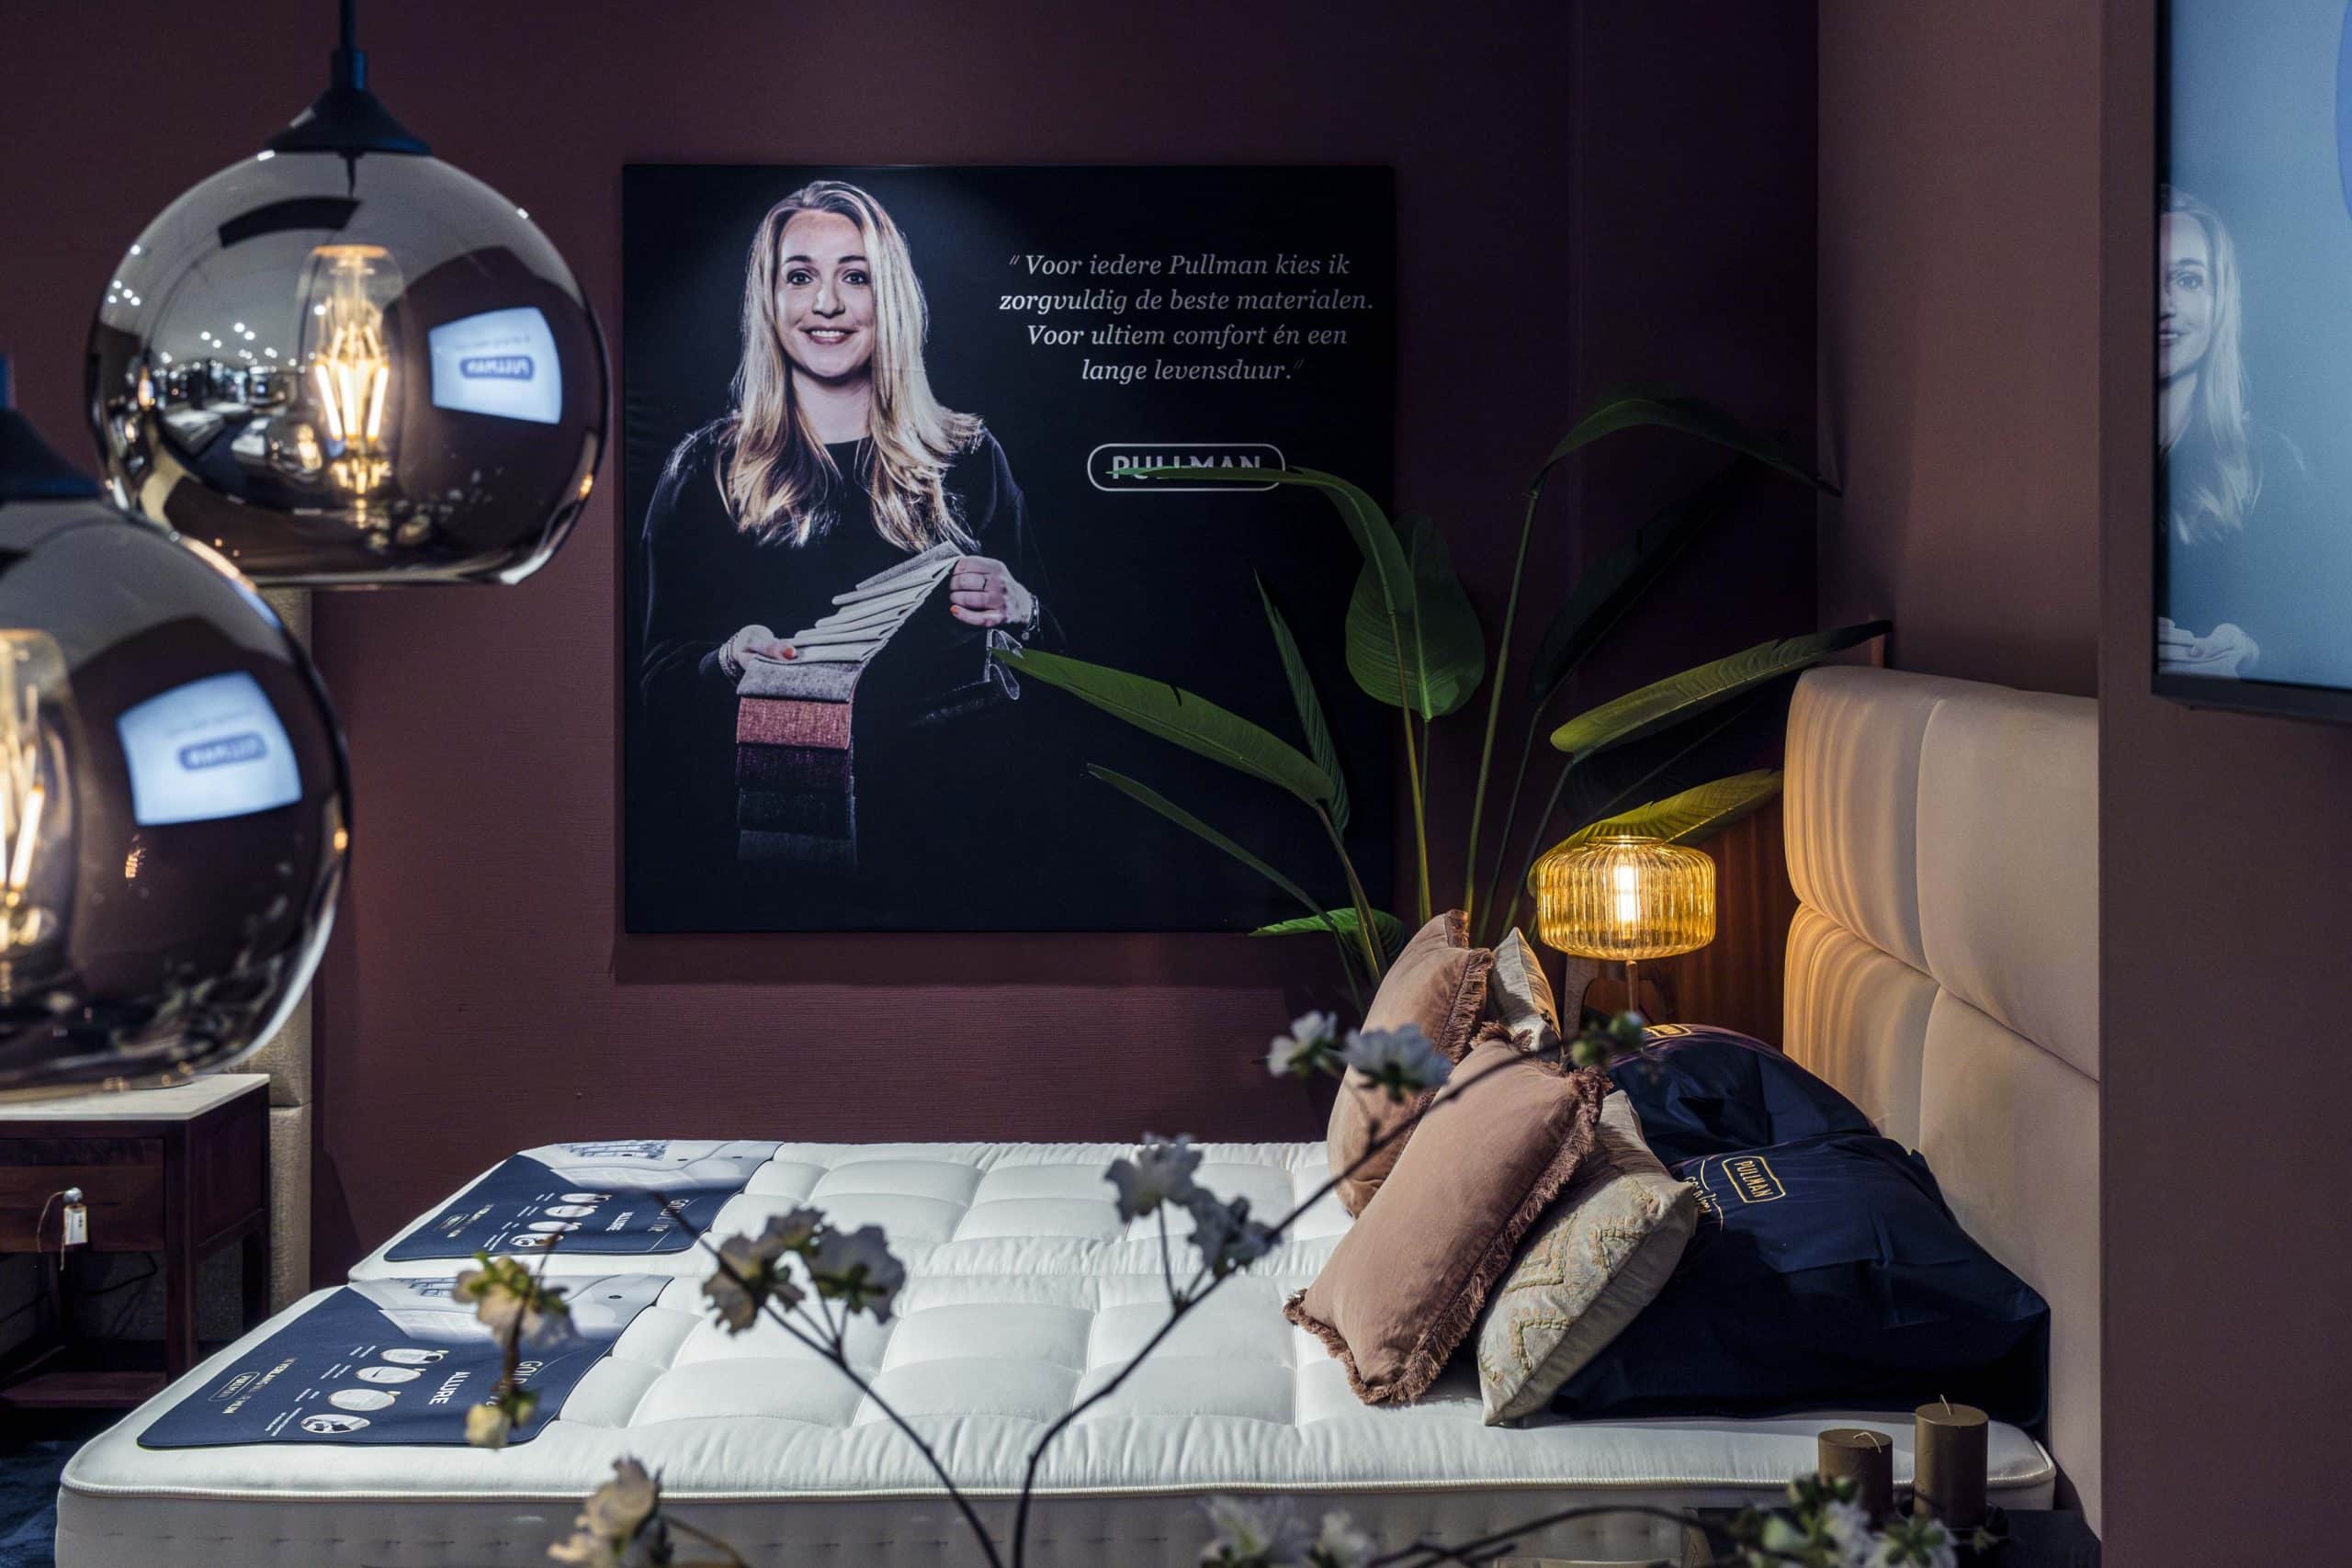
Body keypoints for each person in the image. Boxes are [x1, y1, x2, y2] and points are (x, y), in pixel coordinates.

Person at [637, 180, 1057, 897]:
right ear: (769, 298)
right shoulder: (704, 470)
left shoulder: (969, 458)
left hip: (955, 866)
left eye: (854, 276)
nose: (826, 303)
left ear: (888, 296)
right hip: (768, 871)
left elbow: (1067, 676)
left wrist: (1023, 609)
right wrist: (726, 660)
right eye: (800, 276)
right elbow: (652, 686)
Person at [2156, 186, 2313, 680]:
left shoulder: (2272, 464)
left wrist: (2247, 652)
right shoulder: (2072, 455)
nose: (2165, 303)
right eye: (2147, 277)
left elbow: (2308, 624)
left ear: (2220, 299)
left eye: (2188, 279)